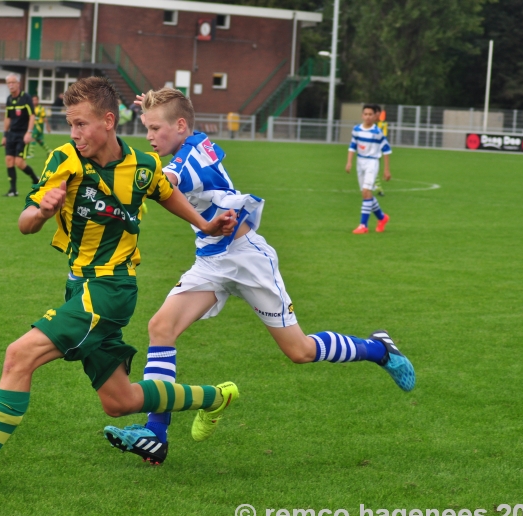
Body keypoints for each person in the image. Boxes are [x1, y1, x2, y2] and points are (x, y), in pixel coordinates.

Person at [0, 77, 239, 495]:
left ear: (108, 120)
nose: (75, 133)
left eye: (81, 124)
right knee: (119, 401)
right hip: (79, 287)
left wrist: (206, 224)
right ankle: (214, 397)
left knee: (18, 357)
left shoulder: (142, 165)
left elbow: (163, 193)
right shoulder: (64, 160)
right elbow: (25, 223)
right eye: (70, 124)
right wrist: (42, 211)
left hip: (110, 291)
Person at [103, 88, 415, 465]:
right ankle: (156, 434)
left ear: (180, 125)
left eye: (155, 129)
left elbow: (157, 180)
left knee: (299, 351)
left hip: (248, 260)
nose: (150, 136)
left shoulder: (183, 166)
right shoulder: (197, 142)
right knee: (161, 327)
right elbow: (173, 142)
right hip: (211, 262)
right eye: (147, 128)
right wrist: (155, 107)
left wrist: (108, 154)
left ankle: (380, 349)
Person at [345, 104, 391, 234]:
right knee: (366, 194)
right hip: (360, 163)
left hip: (372, 162)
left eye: (370, 114)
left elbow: (387, 150)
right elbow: (352, 146)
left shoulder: (377, 132)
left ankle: (363, 225)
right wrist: (349, 162)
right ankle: (382, 218)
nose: (368, 117)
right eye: (365, 114)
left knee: (366, 192)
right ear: (362, 115)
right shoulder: (356, 129)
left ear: (374, 116)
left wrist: (386, 170)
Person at [0, 73, 39, 197]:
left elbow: (32, 116)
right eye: (9, 83)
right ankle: (13, 190)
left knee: (19, 162)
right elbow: (7, 118)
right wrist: (5, 135)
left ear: (18, 84)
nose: (11, 85)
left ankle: (35, 179)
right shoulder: (9, 99)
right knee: (9, 160)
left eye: (13, 82)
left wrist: (29, 132)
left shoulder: (25, 97)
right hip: (11, 134)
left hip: (22, 134)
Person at [26, 95, 51, 159]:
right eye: (33, 100)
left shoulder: (41, 108)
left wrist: (47, 126)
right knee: (39, 140)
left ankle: (31, 154)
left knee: (32, 137)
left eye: (35, 100)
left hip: (38, 126)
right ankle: (49, 151)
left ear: (38, 100)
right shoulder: (30, 108)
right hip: (32, 126)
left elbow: (44, 118)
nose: (34, 101)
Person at [374, 108, 389, 196]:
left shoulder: (379, 125)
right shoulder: (383, 124)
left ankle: (378, 187)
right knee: (374, 170)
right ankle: (378, 188)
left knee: (374, 170)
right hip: (376, 149)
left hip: (376, 149)